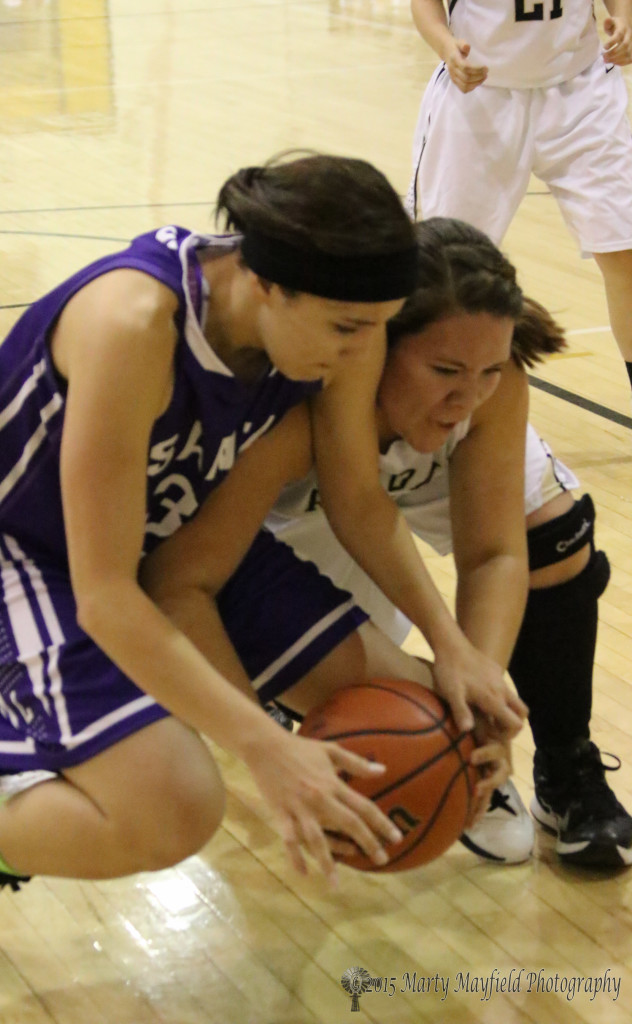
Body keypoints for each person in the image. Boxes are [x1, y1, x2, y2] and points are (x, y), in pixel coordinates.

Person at [0, 154, 522, 892]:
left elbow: (358, 503)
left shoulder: (344, 321)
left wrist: (455, 646)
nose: (357, 354)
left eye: (374, 329)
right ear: (262, 282)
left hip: (158, 534)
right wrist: (264, 746)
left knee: (435, 716)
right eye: (346, 329)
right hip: (26, 553)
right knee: (175, 804)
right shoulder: (133, 324)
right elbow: (106, 593)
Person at [186, 218, 629, 869]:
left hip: (406, 472)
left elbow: (494, 554)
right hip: (287, 522)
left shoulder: (485, 391)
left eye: (488, 371)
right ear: (374, 345)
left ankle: (564, 771)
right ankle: (297, 707)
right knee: (332, 657)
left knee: (553, 536)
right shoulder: (296, 399)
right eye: (446, 369)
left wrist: (479, 696)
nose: (466, 397)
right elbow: (197, 574)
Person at [406, 0, 632, 393]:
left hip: (581, 89)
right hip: (478, 95)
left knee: (626, 249)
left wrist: (625, 18)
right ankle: (426, 408)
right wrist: (446, 47)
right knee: (447, 271)